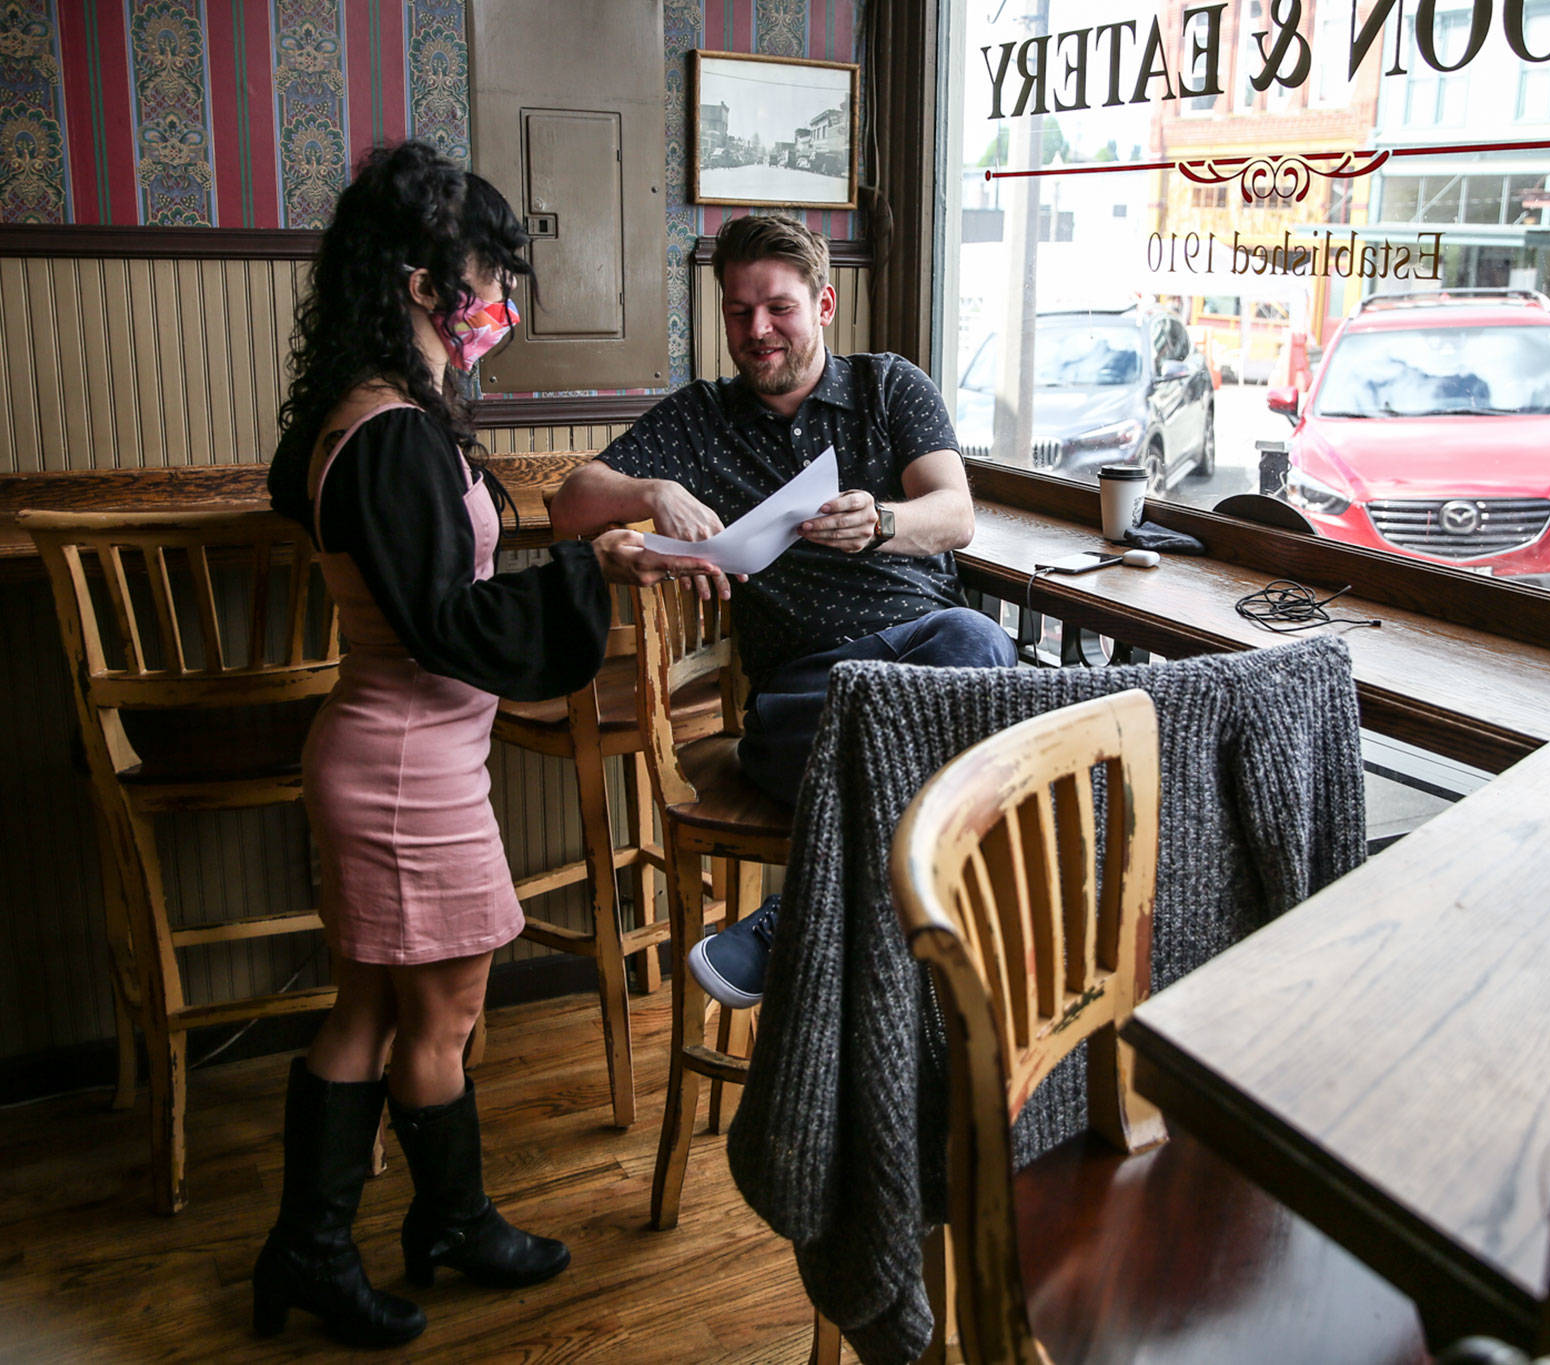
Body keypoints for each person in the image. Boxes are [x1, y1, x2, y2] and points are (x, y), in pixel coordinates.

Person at [255, 141, 731, 1348]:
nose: (498, 300)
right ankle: (443, 1223)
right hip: (408, 770)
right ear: (424, 284)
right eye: (486, 273)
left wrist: (583, 558)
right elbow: (450, 622)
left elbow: (420, 592)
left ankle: (317, 1250)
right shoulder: (395, 435)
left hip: (384, 752)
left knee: (372, 1008)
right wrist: (595, 562)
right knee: (442, 1018)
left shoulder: (353, 417)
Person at [549, 213, 1016, 1009]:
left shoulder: (888, 385)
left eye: (779, 308)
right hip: (803, 690)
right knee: (956, 753)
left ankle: (796, 918)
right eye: (738, 311)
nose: (757, 330)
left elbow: (956, 513)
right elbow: (569, 507)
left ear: (825, 304)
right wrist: (652, 491)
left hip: (928, 647)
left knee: (976, 639)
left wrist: (885, 522)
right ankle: (925, 973)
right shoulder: (702, 417)